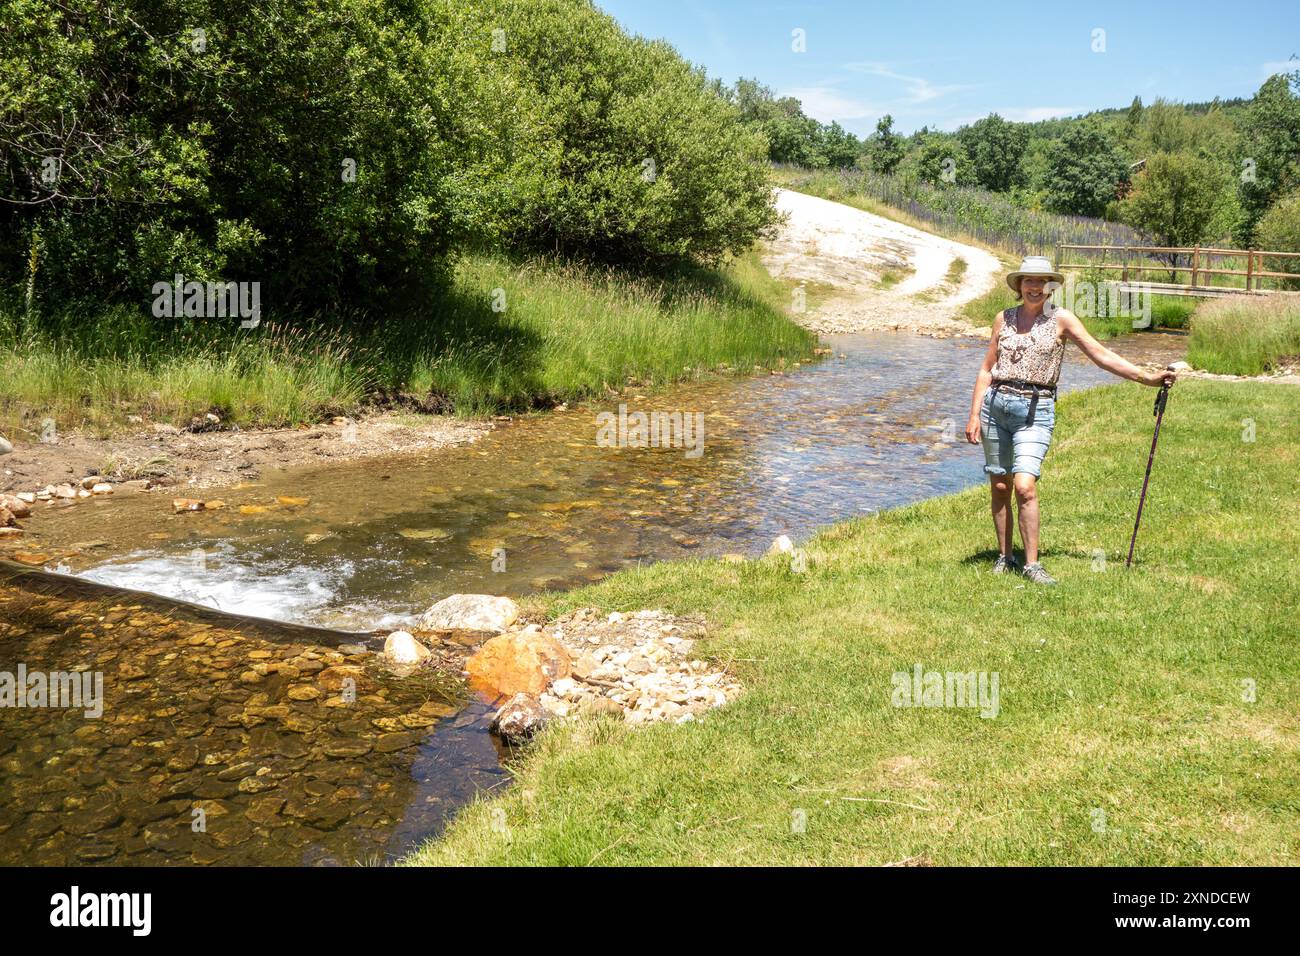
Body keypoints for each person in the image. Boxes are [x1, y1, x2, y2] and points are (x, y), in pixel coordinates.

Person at [964, 255, 1177, 585]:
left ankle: (1032, 565)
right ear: (1019, 286)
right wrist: (975, 413)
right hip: (996, 407)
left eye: (1041, 282)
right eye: (1028, 281)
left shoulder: (1061, 319)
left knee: (1024, 486)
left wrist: (1145, 377)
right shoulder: (1002, 319)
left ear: (1050, 287)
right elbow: (985, 369)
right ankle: (1004, 557)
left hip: (1036, 410)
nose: (1035, 287)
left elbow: (1100, 354)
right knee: (1001, 485)